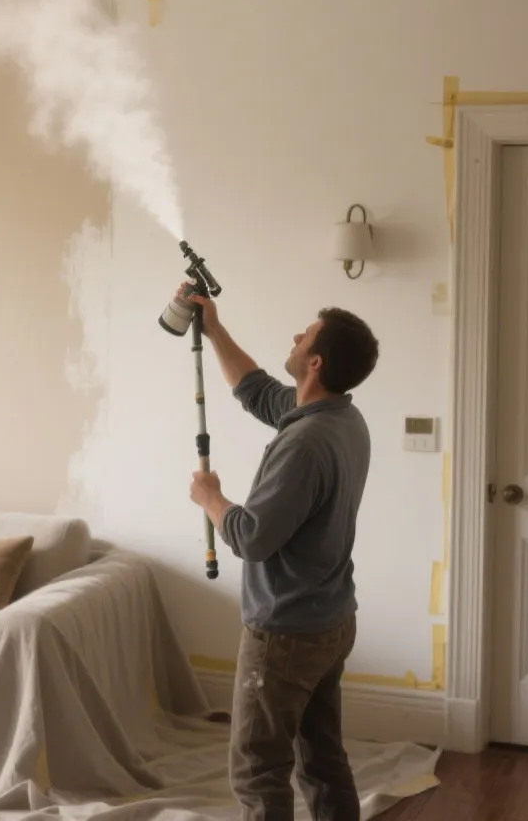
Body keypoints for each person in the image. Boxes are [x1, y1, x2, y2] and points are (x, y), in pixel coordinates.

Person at [182, 288, 379, 821]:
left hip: (286, 634)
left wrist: (211, 499)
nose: (294, 337)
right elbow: (258, 392)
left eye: (305, 335)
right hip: (330, 620)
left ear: (314, 362)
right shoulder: (341, 417)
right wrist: (214, 328)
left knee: (256, 767)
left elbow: (251, 538)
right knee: (320, 756)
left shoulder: (304, 444)